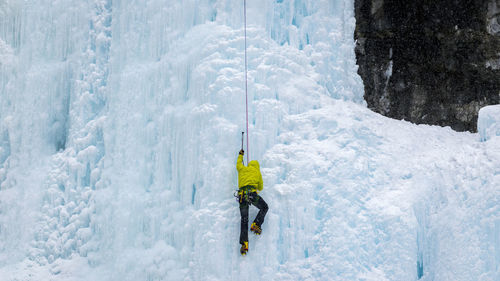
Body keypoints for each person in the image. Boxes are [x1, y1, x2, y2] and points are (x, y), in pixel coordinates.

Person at [236, 149, 268, 256]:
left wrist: (241, 155)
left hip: (242, 196)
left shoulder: (242, 169)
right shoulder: (257, 172)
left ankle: (244, 244)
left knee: (244, 219)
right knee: (264, 207)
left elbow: (238, 164)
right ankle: (256, 224)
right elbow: (261, 187)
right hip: (252, 194)